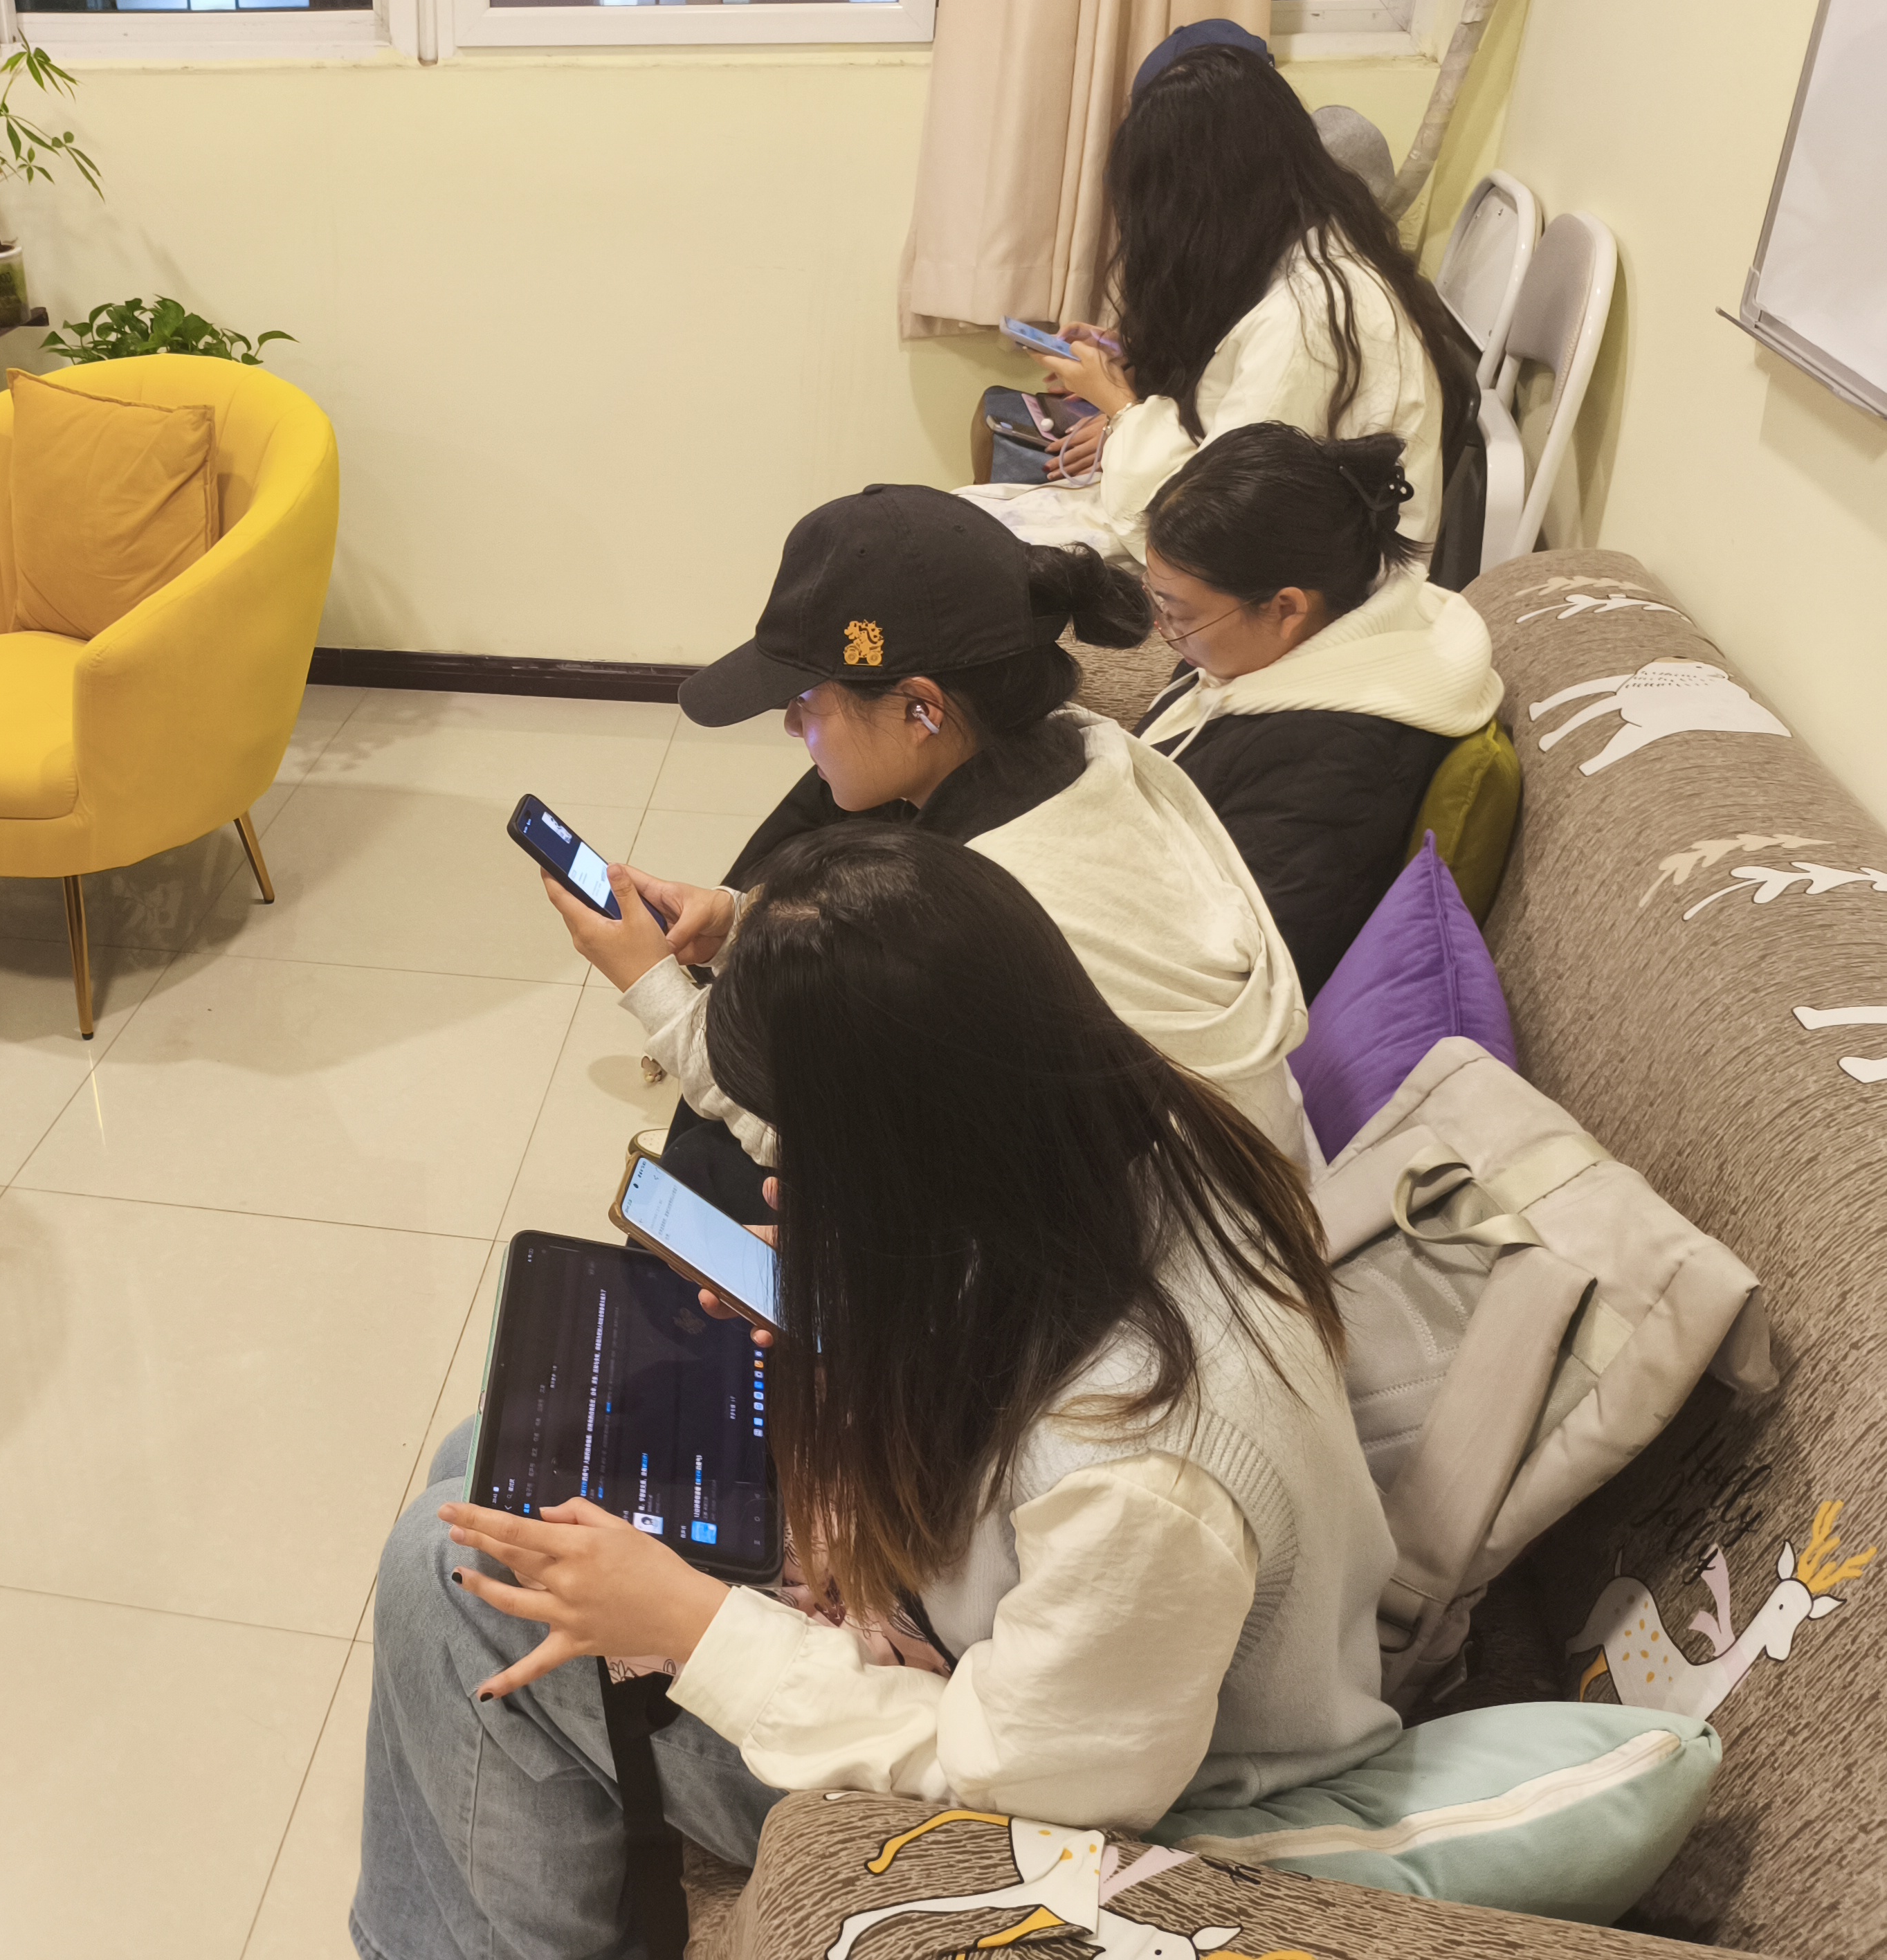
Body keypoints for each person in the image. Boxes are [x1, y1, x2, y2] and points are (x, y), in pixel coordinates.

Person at [358, 825, 1400, 1957]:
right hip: (984, 1627)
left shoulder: (1145, 1475)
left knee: (452, 1569)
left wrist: (695, 1626)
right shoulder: (1126, 1132)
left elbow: (1036, 1785)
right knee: (496, 1458)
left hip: (1078, 1807)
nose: (788, 1175)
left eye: (816, 1155)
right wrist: (855, 1302)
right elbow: (988, 1296)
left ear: (897, 1155)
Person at [547, 484, 1310, 1215]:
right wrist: (737, 921)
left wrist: (650, 986)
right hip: (1230, 1183)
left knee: (703, 1168)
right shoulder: (1087, 748)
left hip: (1152, 1254)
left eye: (806, 702)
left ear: (921, 709)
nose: (791, 727)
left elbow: (824, 1147)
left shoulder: (962, 915)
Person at [964, 24, 1477, 565]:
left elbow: (1214, 539)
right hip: (1250, 553)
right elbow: (1227, 408)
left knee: (962, 553)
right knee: (959, 524)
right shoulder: (1305, 241)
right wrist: (1136, 354)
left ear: (1203, 203)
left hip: (1262, 580)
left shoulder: (1308, 324)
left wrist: (1119, 406)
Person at [1136, 424, 1504, 998]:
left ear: (1286, 609)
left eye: (1178, 613)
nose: (1163, 630)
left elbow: (1240, 974)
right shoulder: (1273, 647)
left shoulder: (1337, 765)